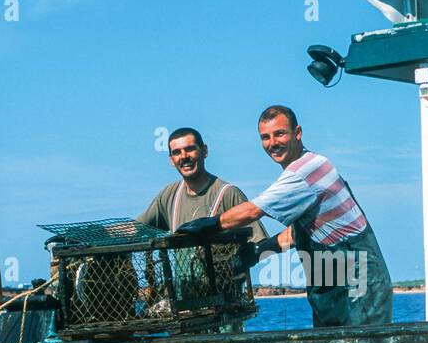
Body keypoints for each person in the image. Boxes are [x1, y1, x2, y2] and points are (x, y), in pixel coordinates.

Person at [177, 105, 393, 327]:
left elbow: (252, 211)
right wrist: (257, 252)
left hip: (359, 287)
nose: (272, 143)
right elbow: (296, 234)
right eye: (265, 137)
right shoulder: (309, 167)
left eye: (279, 133)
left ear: (297, 133)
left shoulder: (305, 171)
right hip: (331, 289)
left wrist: (209, 224)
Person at [137, 127, 266, 243]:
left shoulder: (228, 193)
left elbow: (260, 241)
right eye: (177, 152)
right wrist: (116, 232)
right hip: (183, 271)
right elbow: (137, 228)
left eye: (190, 149)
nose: (184, 156)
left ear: (204, 151)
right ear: (172, 160)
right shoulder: (169, 195)